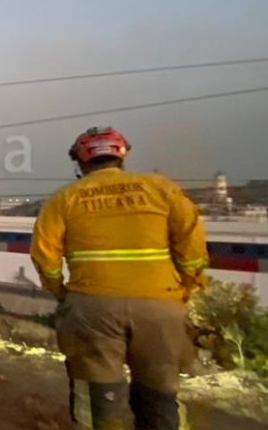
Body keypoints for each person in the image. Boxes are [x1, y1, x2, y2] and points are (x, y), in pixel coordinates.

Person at [31, 127, 208, 430]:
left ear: (81, 162)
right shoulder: (162, 189)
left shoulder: (65, 198)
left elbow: (44, 253)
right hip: (161, 307)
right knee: (161, 394)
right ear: (121, 157)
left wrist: (61, 291)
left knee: (99, 396)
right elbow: (192, 247)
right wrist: (187, 287)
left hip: (92, 309)